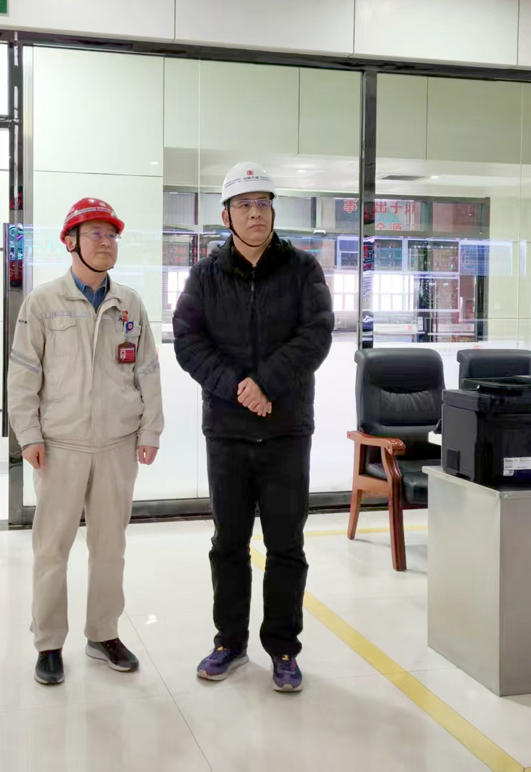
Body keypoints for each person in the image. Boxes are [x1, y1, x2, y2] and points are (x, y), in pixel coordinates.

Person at [173, 162, 333, 692]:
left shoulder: (303, 269)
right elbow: (188, 340)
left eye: (263, 204)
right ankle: (230, 642)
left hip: (287, 430)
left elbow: (316, 334)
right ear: (226, 216)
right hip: (228, 432)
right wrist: (237, 386)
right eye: (244, 205)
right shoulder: (205, 275)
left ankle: (284, 648)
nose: (255, 213)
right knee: (229, 544)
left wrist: (265, 383)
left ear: (272, 212)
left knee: (286, 545)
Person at [8, 197, 164, 686]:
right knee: (51, 549)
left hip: (117, 444)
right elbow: (23, 374)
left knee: (110, 547)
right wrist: (28, 435)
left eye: (112, 234)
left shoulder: (129, 304)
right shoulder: (43, 302)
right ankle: (49, 642)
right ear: (70, 242)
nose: (106, 242)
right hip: (61, 445)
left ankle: (103, 633)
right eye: (95, 233)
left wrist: (150, 429)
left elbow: (148, 371)